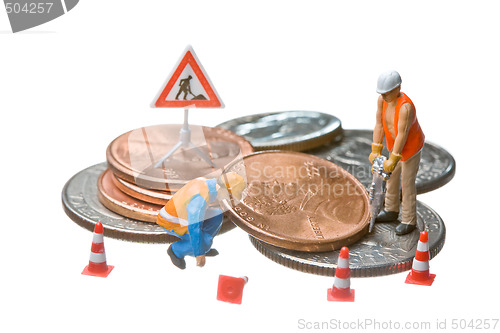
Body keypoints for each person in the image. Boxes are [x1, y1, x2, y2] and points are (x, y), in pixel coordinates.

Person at [368, 70, 425, 235]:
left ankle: (408, 220)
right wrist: (376, 148)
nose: (384, 96)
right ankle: (391, 210)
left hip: (411, 148)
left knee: (407, 184)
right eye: (382, 93)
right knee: (391, 178)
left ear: (397, 88)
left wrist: (393, 159)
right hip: (394, 146)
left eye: (387, 92)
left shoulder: (405, 107)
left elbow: (402, 134)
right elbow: (379, 124)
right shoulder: (382, 101)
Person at [156, 172, 246, 269]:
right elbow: (194, 228)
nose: (228, 200)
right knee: (206, 241)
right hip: (172, 223)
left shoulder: (204, 181)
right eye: (229, 196)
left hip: (183, 216)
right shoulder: (200, 200)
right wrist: (199, 253)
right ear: (222, 189)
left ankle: (202, 246)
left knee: (217, 215)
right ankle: (176, 251)